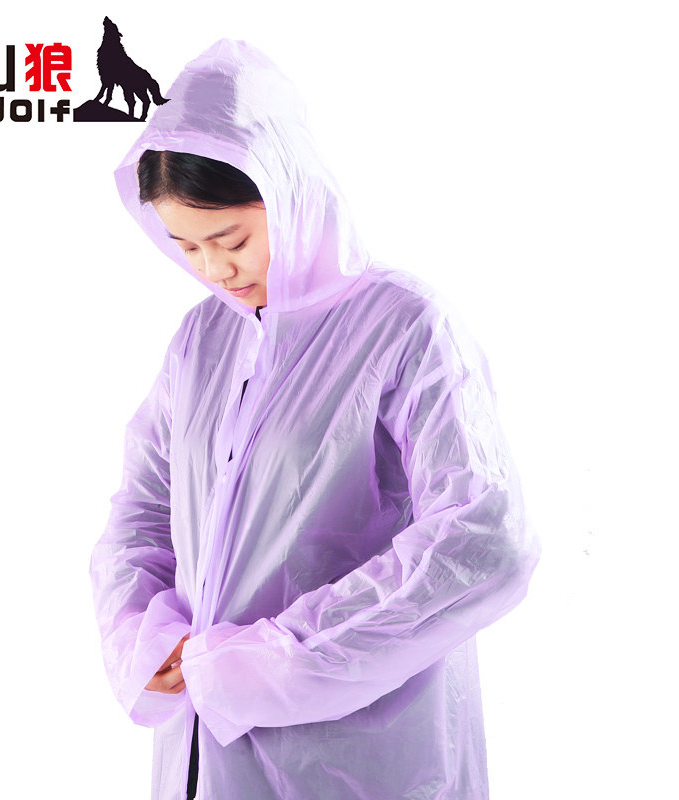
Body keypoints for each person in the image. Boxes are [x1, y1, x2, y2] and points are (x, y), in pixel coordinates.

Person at [89, 37, 540, 800]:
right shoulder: (203, 341)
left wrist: (275, 659)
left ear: (288, 193)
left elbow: (482, 536)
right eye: (187, 246)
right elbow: (143, 508)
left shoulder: (404, 325)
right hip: (201, 755)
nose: (213, 269)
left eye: (231, 239)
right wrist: (142, 637)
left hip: (362, 759)